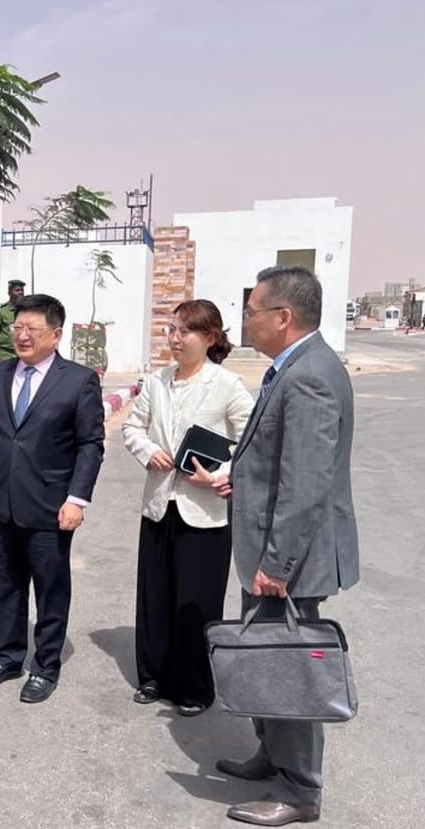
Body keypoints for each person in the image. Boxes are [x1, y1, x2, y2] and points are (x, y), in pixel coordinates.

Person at [217, 266, 358, 827]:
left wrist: (277, 563)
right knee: (268, 659)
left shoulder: (309, 376)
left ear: (283, 317)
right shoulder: (294, 367)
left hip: (288, 559)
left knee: (289, 670)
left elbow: (306, 483)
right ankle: (272, 755)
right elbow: (278, 462)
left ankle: (299, 790)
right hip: (273, 550)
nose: (245, 320)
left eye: (251, 311)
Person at [0, 293, 105, 704]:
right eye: (18, 327)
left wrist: (77, 499)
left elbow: (90, 445)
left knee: (50, 590)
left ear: (56, 334)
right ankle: (8, 657)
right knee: (6, 585)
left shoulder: (79, 380)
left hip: (51, 507)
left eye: (32, 328)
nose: (22, 336)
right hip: (4, 504)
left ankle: (45, 667)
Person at [121, 300, 255, 716]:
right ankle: (153, 676)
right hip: (160, 505)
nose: (175, 339)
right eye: (172, 330)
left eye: (185, 331)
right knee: (156, 595)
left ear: (210, 338)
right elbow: (132, 426)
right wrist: (147, 450)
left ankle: (194, 687)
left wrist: (220, 475)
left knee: (196, 601)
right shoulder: (157, 381)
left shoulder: (227, 385)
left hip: (205, 511)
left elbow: (252, 443)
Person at [0, 278, 25, 365]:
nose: (20, 292)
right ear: (9, 292)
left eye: (22, 290)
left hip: (22, 352)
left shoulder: (25, 311)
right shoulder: (0, 311)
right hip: (5, 354)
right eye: (17, 290)